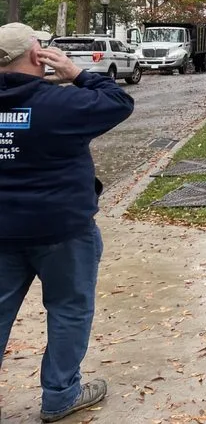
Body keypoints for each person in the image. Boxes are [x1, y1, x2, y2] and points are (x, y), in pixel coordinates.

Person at [0, 22, 134, 422]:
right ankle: (59, 395)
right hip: (64, 230)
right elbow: (118, 101)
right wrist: (78, 74)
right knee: (69, 310)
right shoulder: (60, 105)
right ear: (36, 54)